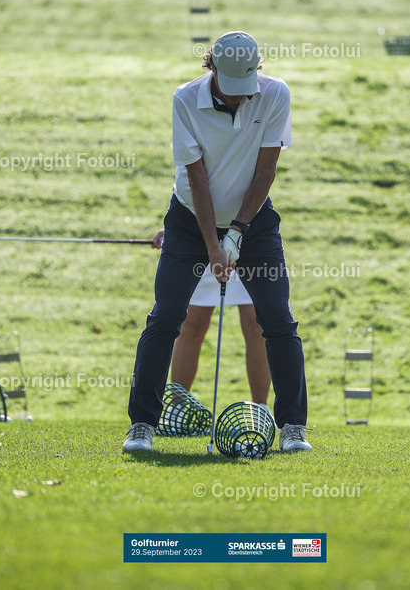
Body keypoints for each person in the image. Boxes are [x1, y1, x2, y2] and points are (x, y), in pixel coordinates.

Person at [124, 30, 312, 453]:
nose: (237, 99)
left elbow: (266, 173)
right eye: (230, 91)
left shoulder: (275, 94)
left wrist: (239, 232)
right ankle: (142, 424)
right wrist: (214, 244)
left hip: (255, 222)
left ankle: (293, 427)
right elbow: (197, 179)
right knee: (166, 316)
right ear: (211, 68)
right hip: (191, 220)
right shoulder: (185, 99)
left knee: (278, 321)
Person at [151, 229, 271, 411]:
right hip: (202, 241)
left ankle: (261, 409)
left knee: (256, 324)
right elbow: (189, 199)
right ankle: (178, 409)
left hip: (248, 240)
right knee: (192, 323)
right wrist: (172, 227)